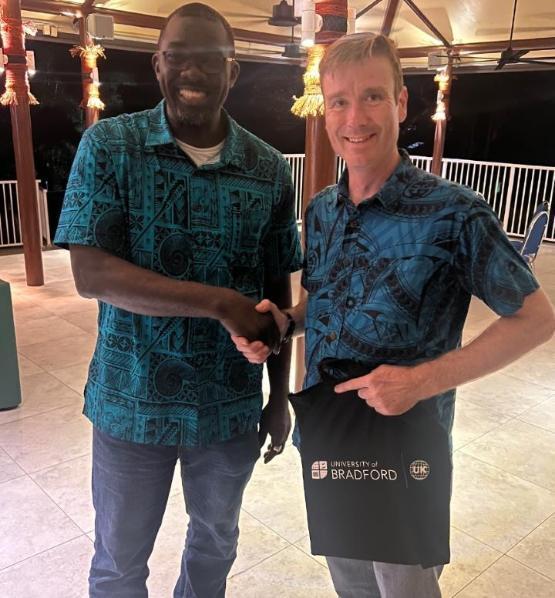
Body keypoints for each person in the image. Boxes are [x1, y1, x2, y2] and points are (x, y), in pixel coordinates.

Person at [232, 32, 555, 598]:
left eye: (373, 97)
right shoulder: (323, 210)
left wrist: (423, 380)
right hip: (329, 435)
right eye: (339, 101)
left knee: (403, 585)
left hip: (406, 445)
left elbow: (536, 318)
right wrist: (286, 323)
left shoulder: (455, 213)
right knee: (349, 576)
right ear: (325, 111)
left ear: (402, 104)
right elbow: (327, 301)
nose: (354, 117)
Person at [54, 3, 302, 597]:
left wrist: (280, 397)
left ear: (233, 72)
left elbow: (276, 295)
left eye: (209, 59)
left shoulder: (267, 169)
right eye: (178, 56)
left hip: (228, 408)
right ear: (157, 65)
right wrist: (219, 302)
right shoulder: (110, 147)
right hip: (129, 402)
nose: (193, 70)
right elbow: (91, 274)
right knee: (118, 560)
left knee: (214, 546)